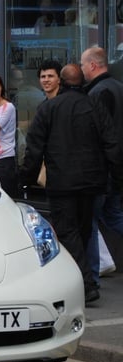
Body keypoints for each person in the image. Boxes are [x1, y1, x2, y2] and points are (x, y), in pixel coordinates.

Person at [19, 64, 123, 304]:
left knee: (69, 233)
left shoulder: (49, 108)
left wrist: (25, 179)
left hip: (62, 183)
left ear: (62, 82)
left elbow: (35, 148)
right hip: (93, 183)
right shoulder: (94, 105)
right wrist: (116, 179)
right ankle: (86, 283)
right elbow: (112, 144)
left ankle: (85, 285)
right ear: (82, 81)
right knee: (85, 233)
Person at [81, 47, 123, 280]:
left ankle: (93, 277)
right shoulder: (118, 87)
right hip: (116, 165)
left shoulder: (98, 92)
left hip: (103, 167)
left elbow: (99, 133)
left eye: (84, 64)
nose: (82, 69)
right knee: (113, 214)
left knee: (94, 219)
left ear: (93, 65)